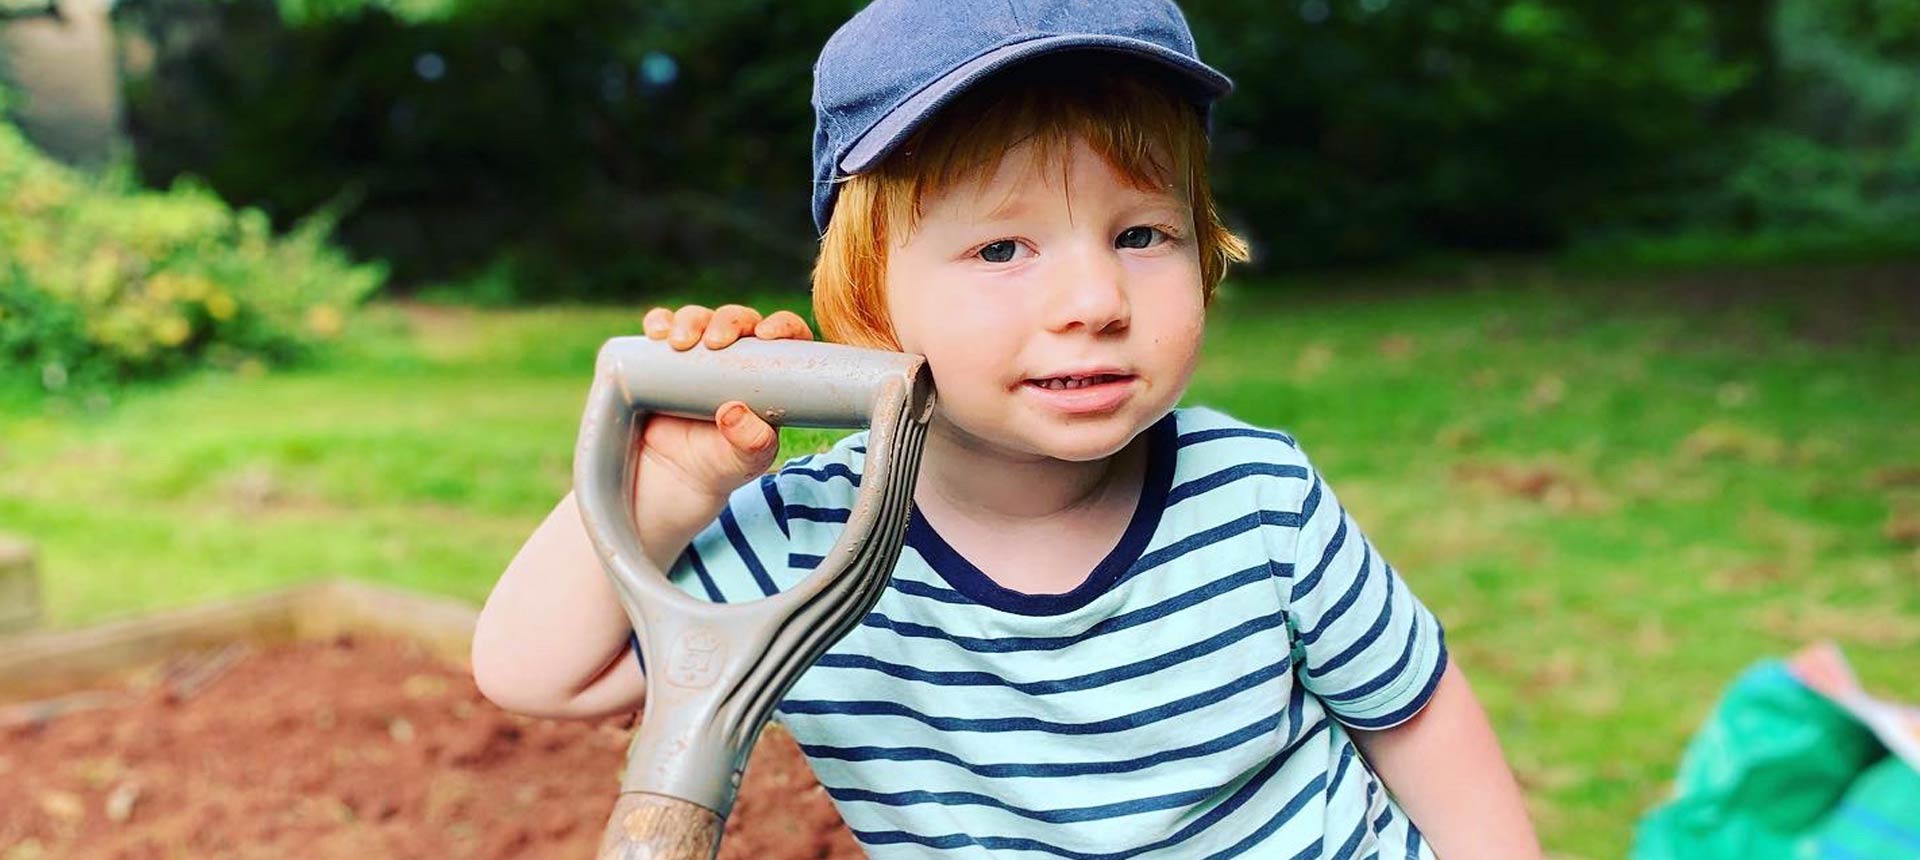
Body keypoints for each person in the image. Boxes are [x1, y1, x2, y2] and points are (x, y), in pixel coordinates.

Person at [473, 1, 1543, 856]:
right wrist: (668, 485)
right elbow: (535, 671)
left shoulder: (1256, 494)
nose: (1094, 299)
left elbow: (1414, 714)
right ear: (869, 303)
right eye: (1002, 249)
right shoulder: (808, 537)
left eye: (1141, 233)